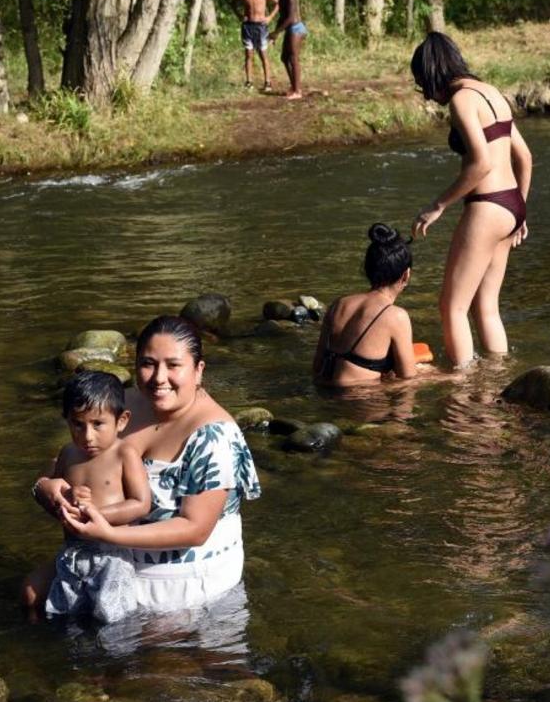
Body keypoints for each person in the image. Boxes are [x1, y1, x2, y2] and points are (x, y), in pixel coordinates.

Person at [28, 316, 262, 616]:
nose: (158, 378)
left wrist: (106, 533)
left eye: (173, 365)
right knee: (32, 593)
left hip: (180, 578)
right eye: (148, 364)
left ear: (198, 370)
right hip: (103, 555)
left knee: (151, 657)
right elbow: (68, 460)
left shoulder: (215, 436)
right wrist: (45, 487)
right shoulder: (123, 405)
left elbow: (195, 529)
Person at [409, 32, 533, 368]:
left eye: (422, 83)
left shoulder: (462, 100)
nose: (425, 93)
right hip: (510, 204)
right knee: (486, 306)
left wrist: (438, 205)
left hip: (488, 204)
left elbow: (481, 163)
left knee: (451, 306)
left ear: (433, 73)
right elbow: (524, 156)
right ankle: (499, 379)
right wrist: (520, 211)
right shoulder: (492, 93)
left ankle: (462, 390)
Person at [25, 370, 152, 623]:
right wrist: (66, 497)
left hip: (112, 555)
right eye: (78, 424)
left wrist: (96, 516)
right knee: (65, 614)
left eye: (98, 424)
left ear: (122, 421)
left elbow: (141, 503)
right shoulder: (68, 454)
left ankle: (118, 660)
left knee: (113, 619)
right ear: (67, 420)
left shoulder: (124, 453)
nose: (88, 436)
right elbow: (56, 498)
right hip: (71, 553)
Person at [313, 223, 418, 386]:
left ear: (368, 269)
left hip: (327, 394)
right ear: (406, 275)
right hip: (362, 402)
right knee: (456, 377)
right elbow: (408, 378)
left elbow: (317, 367)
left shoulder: (338, 304)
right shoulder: (396, 316)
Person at [269, 0, 307, 100]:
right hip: (290, 30)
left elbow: (290, 18)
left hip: (296, 29)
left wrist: (277, 32)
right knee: (284, 58)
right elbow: (282, 17)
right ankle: (294, 86)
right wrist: (275, 33)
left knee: (293, 58)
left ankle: (297, 91)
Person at [239, 0, 278, 91]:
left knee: (263, 54)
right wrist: (241, 16)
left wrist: (270, 17)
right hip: (248, 27)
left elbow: (278, 2)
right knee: (248, 55)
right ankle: (249, 81)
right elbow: (236, 4)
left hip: (261, 27)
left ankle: (268, 82)